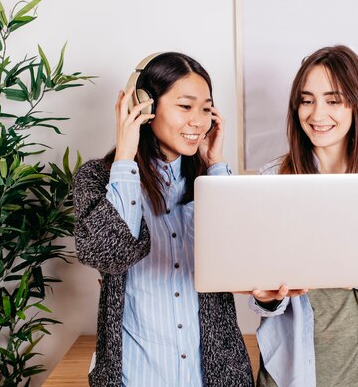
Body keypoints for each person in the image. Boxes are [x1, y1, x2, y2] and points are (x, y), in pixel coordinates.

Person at [248, 45, 358, 387]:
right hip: (290, 372)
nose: (317, 114)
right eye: (306, 100)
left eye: (333, 100)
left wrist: (354, 267)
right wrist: (265, 299)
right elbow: (263, 293)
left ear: (357, 104)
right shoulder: (272, 179)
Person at [73, 52, 253, 387]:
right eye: (185, 106)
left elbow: (240, 261)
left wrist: (216, 165)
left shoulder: (212, 180)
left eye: (205, 108)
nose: (198, 121)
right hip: (136, 377)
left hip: (214, 377)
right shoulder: (97, 179)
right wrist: (125, 158)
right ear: (144, 106)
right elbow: (106, 254)